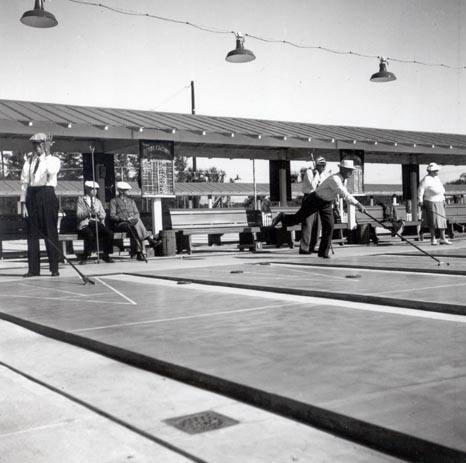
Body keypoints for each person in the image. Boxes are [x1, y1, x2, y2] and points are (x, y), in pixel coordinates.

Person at [271, 159, 367, 258]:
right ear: (342, 169)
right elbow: (345, 194)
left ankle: (323, 253)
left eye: (351, 170)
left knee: (329, 225)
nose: (351, 172)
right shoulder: (335, 179)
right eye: (349, 170)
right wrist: (359, 205)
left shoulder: (343, 180)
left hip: (326, 203)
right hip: (314, 200)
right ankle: (282, 217)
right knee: (297, 219)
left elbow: (342, 194)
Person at [20, 133, 61, 277]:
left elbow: (51, 171)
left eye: (39, 144)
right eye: (35, 144)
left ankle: (54, 268)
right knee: (32, 235)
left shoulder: (54, 160)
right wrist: (24, 204)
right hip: (32, 196)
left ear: (45, 145)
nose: (36, 147)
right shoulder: (29, 160)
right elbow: (24, 183)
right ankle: (33, 269)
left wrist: (48, 154)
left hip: (47, 194)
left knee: (50, 232)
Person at [109, 181, 159, 260]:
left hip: (133, 223)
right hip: (121, 224)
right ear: (121, 191)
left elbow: (137, 213)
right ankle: (148, 241)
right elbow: (112, 216)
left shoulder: (131, 201)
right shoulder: (114, 201)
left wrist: (133, 218)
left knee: (136, 224)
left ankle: (138, 252)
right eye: (127, 190)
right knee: (136, 226)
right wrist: (124, 219)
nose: (128, 191)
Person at [76, 181, 114, 263]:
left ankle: (106, 254)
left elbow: (103, 214)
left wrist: (99, 213)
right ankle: (85, 256)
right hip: (85, 224)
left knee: (109, 233)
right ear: (87, 189)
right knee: (89, 234)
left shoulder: (98, 201)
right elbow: (79, 215)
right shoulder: (81, 200)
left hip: (96, 223)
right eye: (92, 189)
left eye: (96, 189)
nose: (95, 191)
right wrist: (89, 212)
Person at [298, 156, 328, 254]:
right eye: (321, 165)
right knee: (308, 223)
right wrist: (316, 175)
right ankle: (304, 247)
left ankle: (312, 246)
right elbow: (312, 185)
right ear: (316, 165)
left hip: (318, 198)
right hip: (309, 198)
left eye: (324, 165)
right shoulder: (309, 172)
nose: (323, 167)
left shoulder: (323, 174)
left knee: (317, 224)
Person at [418, 162, 451, 245]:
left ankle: (443, 238)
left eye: (437, 170)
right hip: (430, 201)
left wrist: (443, 200)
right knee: (432, 221)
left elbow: (441, 191)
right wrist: (420, 201)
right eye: (435, 170)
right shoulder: (426, 179)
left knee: (442, 220)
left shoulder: (437, 178)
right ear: (430, 171)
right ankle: (433, 238)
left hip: (440, 201)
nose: (437, 172)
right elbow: (420, 190)